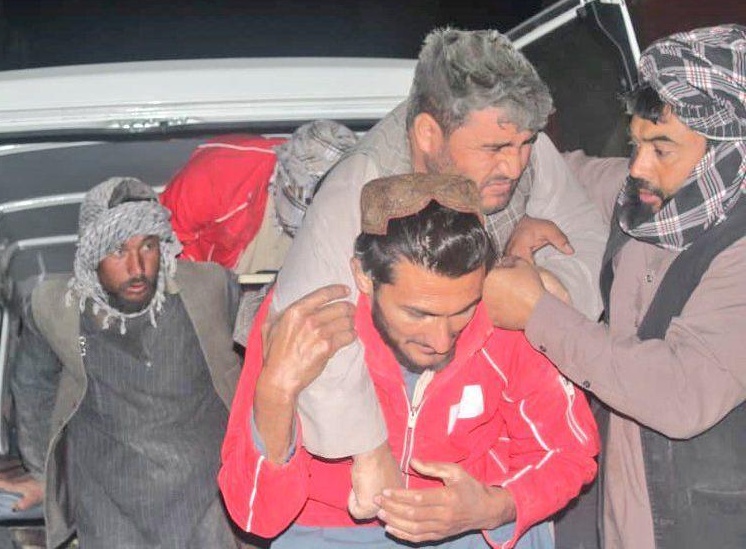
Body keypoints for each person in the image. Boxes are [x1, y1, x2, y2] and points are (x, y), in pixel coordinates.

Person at [269, 27, 607, 519]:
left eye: (526, 144)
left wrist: (544, 289)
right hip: (357, 476)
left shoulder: (518, 142)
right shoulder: (356, 188)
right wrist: (368, 450)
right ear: (428, 133)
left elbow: (589, 240)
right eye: (494, 149)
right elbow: (312, 328)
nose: (515, 166)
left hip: (496, 451)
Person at [219, 173, 599, 548]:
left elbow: (569, 452)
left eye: (462, 311)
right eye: (418, 314)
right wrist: (276, 393)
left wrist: (495, 507)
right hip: (332, 533)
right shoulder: (305, 327)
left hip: (475, 528)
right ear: (364, 278)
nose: (441, 340)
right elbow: (257, 516)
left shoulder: (504, 314)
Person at [484, 25, 746, 549]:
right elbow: (555, 173)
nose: (639, 167)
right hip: (620, 517)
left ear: (728, 151)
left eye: (662, 149)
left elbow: (680, 393)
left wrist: (539, 312)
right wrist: (532, 208)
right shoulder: (645, 199)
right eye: (636, 143)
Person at [0, 176, 244, 549]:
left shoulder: (210, 287)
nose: (137, 268)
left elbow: (258, 364)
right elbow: (33, 388)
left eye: (148, 247)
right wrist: (41, 473)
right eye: (118, 251)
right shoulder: (55, 308)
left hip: (206, 495)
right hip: (110, 502)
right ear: (91, 256)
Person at [160, 120, 357, 275]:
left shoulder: (355, 200)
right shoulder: (216, 173)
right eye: (302, 198)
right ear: (283, 171)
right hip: (210, 280)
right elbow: (161, 244)